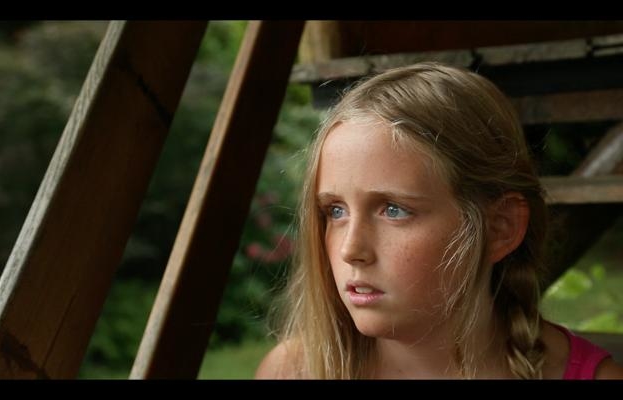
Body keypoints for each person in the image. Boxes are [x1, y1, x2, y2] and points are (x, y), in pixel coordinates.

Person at [254, 62, 623, 379]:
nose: (351, 250)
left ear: (500, 227)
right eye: (335, 211)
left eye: (393, 210)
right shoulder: (292, 371)